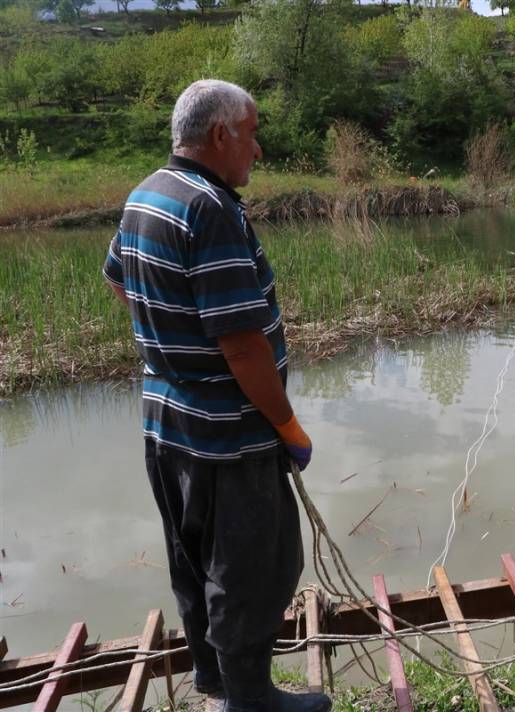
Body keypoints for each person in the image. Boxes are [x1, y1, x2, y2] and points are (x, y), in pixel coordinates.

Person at [102, 80, 329, 712]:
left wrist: (170, 342)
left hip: (167, 425)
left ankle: (215, 678)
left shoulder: (147, 193)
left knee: (193, 558)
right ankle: (251, 701)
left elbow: (119, 280)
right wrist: (288, 427)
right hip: (228, 436)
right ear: (221, 134)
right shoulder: (210, 208)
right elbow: (243, 345)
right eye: (252, 134)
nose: (257, 149)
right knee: (254, 568)